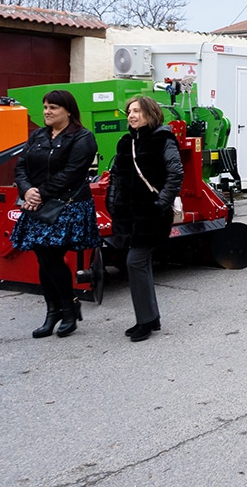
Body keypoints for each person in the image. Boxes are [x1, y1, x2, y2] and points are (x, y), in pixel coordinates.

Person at [12, 90, 99, 339]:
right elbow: (21, 166)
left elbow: (72, 173)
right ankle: (55, 311)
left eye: (53, 108)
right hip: (38, 204)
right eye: (46, 107)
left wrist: (39, 193)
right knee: (44, 256)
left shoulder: (83, 138)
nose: (47, 112)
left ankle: (67, 308)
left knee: (49, 256)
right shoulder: (38, 134)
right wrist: (27, 190)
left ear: (68, 111)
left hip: (68, 205)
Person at [107, 97, 184, 342]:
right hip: (128, 215)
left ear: (150, 114)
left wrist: (161, 204)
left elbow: (175, 172)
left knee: (135, 262)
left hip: (151, 215)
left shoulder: (163, 138)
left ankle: (145, 321)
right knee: (141, 264)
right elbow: (115, 176)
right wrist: (113, 203)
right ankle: (151, 318)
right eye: (129, 111)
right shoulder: (125, 142)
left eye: (137, 111)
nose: (131, 115)